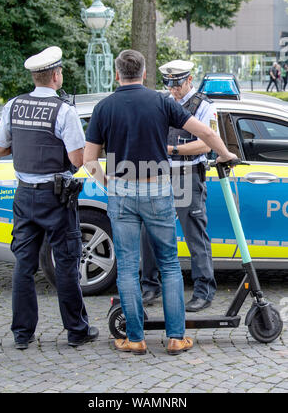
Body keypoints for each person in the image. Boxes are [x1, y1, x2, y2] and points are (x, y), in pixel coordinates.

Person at [84, 49, 237, 355]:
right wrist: (225, 155)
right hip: (157, 189)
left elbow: (89, 160)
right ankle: (176, 337)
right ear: (144, 73)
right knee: (168, 264)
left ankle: (136, 338)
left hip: (122, 190)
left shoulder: (104, 107)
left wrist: (108, 184)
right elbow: (205, 131)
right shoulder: (161, 101)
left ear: (117, 74)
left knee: (128, 268)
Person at [0, 46, 99, 349]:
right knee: (65, 263)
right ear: (55, 75)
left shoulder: (13, 106)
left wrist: (23, 147)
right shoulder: (64, 111)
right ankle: (77, 331)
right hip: (56, 199)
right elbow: (77, 159)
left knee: (24, 265)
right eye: (60, 71)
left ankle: (22, 334)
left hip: (24, 197)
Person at [141, 60, 217, 312]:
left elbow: (207, 144)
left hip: (187, 173)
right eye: (169, 85)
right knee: (149, 232)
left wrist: (173, 149)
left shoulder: (204, 106)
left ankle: (203, 291)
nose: (173, 90)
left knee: (194, 234)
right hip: (159, 174)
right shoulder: (163, 103)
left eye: (177, 85)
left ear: (189, 81)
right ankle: (149, 287)